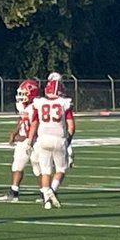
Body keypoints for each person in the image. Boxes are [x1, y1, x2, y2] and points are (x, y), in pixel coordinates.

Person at [26, 73, 75, 209]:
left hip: (42, 140)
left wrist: (30, 141)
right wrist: (68, 141)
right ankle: (52, 191)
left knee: (45, 171)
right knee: (60, 169)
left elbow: (34, 124)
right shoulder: (64, 103)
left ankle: (46, 198)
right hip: (59, 139)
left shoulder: (39, 103)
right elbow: (71, 126)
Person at [0, 79, 40, 202]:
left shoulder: (36, 107)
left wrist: (19, 137)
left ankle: (45, 193)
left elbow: (34, 127)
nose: (21, 96)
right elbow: (22, 119)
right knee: (17, 165)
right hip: (24, 139)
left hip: (35, 140)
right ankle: (14, 191)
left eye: (24, 93)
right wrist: (15, 131)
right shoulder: (23, 106)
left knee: (38, 168)